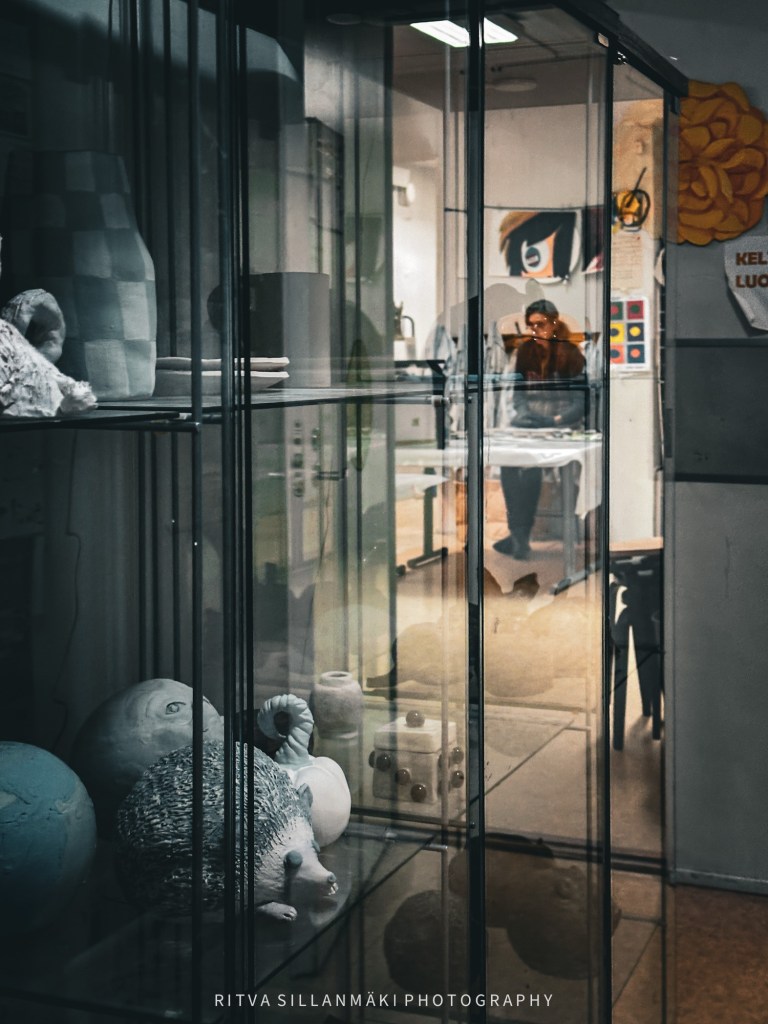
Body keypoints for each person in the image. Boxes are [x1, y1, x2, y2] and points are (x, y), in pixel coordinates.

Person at [493, 299, 586, 560]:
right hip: (530, 423)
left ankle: (519, 535)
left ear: (554, 323)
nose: (536, 331)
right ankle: (519, 533)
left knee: (531, 466)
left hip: (560, 424)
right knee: (509, 464)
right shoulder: (525, 353)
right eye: (531, 326)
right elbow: (519, 395)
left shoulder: (572, 354)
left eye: (541, 325)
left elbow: (581, 403)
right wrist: (524, 415)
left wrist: (555, 420)